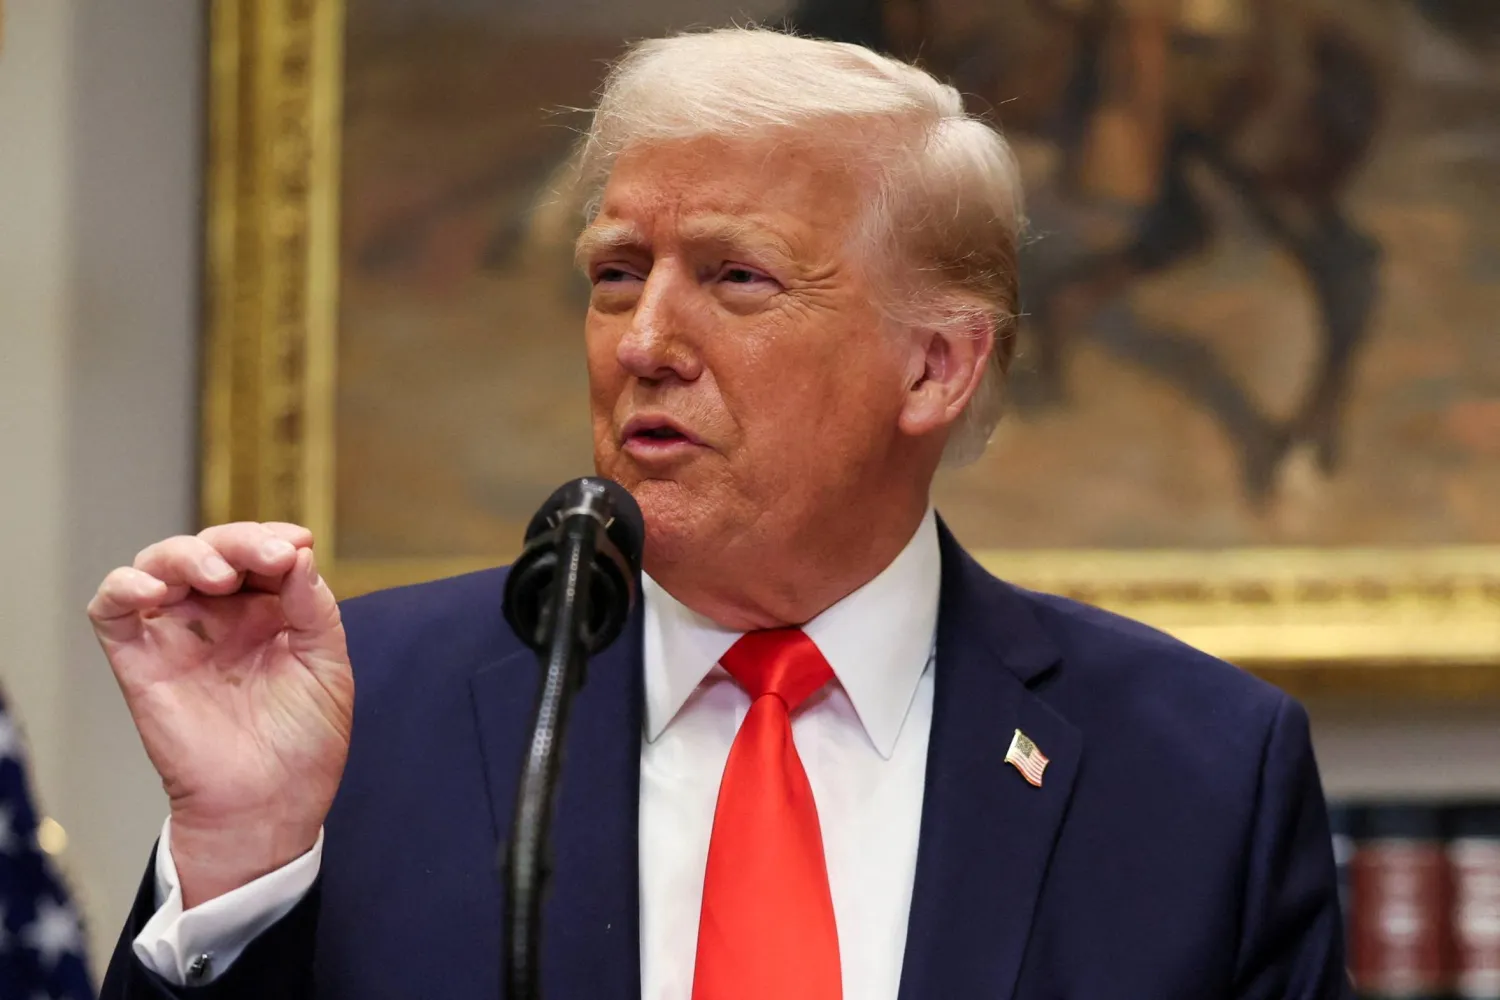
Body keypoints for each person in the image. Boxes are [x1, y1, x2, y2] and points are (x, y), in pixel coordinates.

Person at [91, 27, 1347, 1000]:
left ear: (934, 367)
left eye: (735, 278)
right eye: (617, 273)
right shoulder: (364, 715)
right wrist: (243, 863)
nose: (642, 342)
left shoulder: (1197, 774)